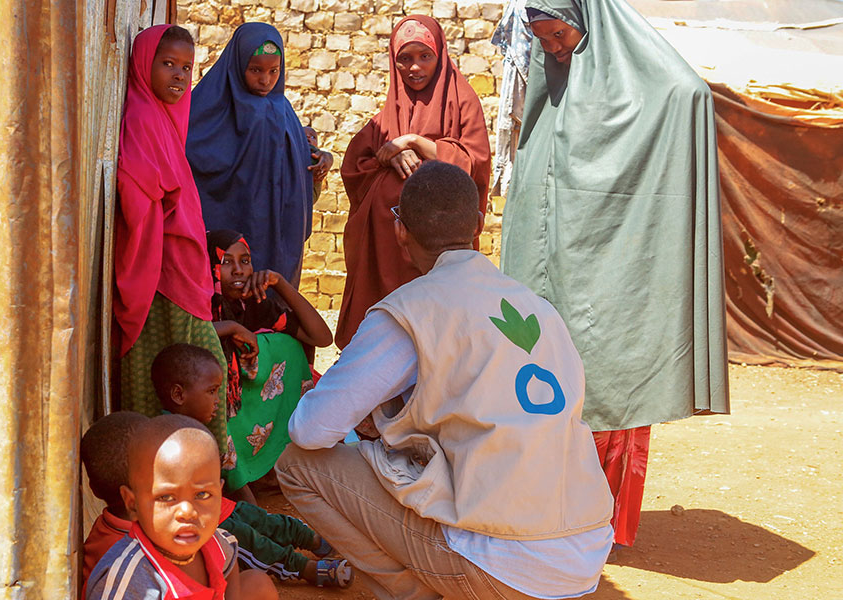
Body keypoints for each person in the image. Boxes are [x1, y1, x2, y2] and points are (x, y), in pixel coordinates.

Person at [276, 161, 614, 600]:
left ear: (400, 231)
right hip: (583, 556)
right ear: (477, 225)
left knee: (297, 464)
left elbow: (312, 430)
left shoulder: (412, 310)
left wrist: (347, 411)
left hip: (501, 565)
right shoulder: (540, 309)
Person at [501, 0, 729, 549]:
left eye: (558, 35)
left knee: (609, 389)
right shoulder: (546, 84)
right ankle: (548, 518)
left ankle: (598, 524)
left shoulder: (636, 79)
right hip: (550, 268)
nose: (552, 47)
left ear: (586, 18)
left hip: (612, 275)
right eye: (542, 38)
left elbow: (690, 92)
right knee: (542, 389)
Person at [335, 15, 492, 349]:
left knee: (435, 334)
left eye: (425, 56)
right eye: (404, 58)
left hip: (438, 244)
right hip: (387, 250)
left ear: (440, 56)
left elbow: (475, 163)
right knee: (390, 332)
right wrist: (388, 157)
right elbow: (354, 165)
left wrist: (415, 142)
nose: (414, 67)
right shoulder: (390, 110)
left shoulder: (461, 101)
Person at [113, 24, 229, 458]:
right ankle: (195, 469)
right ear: (144, 65)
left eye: (186, 67)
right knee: (194, 369)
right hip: (163, 271)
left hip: (178, 263)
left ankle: (202, 472)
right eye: (167, 64)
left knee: (191, 373)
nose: (179, 76)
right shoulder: (143, 118)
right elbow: (139, 186)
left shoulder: (166, 118)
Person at [151, 344, 353, 589]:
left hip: (223, 507)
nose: (218, 401)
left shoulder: (194, 429)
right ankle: (306, 569)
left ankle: (313, 540)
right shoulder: (166, 440)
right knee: (254, 544)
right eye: (212, 392)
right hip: (210, 523)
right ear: (179, 395)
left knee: (263, 519)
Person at [187, 22, 333, 285]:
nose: (265, 80)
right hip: (229, 224)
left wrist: (318, 159)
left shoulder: (281, 110)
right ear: (238, 63)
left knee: (269, 296)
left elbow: (297, 160)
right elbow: (190, 154)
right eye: (256, 70)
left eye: (274, 71)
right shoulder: (211, 104)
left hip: (274, 231)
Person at [84, 414, 278, 600]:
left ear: (219, 495)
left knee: (259, 584)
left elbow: (229, 558)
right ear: (132, 505)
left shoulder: (215, 542)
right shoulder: (130, 579)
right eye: (167, 497)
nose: (188, 511)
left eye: (202, 495)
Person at [206, 230, 332, 490]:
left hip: (253, 410)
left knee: (287, 346)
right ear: (209, 265)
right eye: (226, 262)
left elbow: (321, 336)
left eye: (245, 260)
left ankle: (270, 464)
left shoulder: (254, 303)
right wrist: (230, 327)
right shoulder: (200, 304)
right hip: (219, 414)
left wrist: (280, 283)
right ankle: (237, 476)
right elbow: (194, 335)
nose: (239, 270)